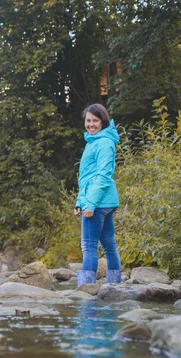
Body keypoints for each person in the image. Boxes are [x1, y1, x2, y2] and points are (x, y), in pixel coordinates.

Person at [74, 104, 121, 286]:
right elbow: (87, 177)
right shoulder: (94, 141)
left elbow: (103, 176)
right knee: (109, 246)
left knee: (88, 246)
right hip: (103, 200)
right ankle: (114, 287)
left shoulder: (104, 143)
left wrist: (90, 203)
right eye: (88, 120)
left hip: (99, 202)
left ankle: (87, 289)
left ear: (103, 122)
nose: (91, 124)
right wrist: (80, 202)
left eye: (95, 120)